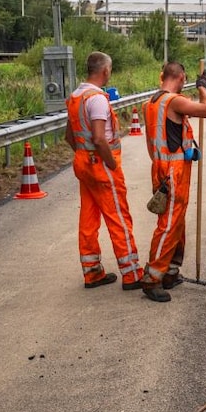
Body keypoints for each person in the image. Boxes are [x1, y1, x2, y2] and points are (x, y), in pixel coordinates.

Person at [136, 62, 206, 302]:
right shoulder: (173, 101)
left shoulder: (151, 103)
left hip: (162, 167)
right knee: (169, 224)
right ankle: (152, 278)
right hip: (173, 171)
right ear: (181, 78)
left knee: (176, 221)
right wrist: (203, 88)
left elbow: (155, 140)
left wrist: (182, 152)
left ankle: (170, 271)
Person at [64, 52, 142, 291]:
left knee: (89, 218)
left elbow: (69, 136)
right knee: (118, 217)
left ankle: (92, 272)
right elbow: (99, 138)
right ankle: (132, 274)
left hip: (83, 162)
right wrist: (111, 164)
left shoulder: (76, 96)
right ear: (105, 70)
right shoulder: (97, 99)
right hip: (101, 166)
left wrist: (84, 154)